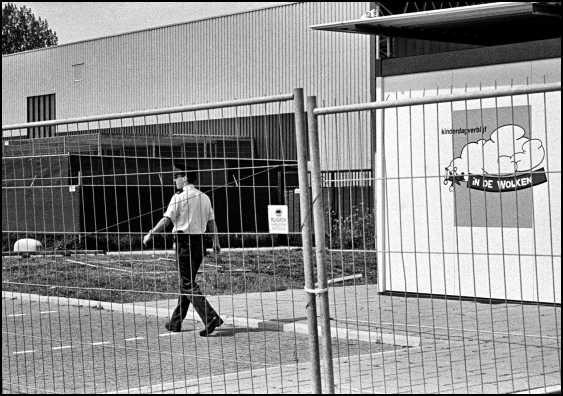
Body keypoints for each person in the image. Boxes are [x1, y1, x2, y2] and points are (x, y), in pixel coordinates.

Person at [143, 162, 223, 336]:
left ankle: (211, 317)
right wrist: (216, 242)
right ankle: (175, 322)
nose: (174, 180)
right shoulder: (204, 197)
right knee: (186, 282)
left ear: (185, 177)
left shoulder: (179, 197)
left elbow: (167, 220)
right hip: (200, 243)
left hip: (184, 243)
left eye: (176, 176)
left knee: (187, 283)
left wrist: (151, 233)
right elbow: (211, 222)